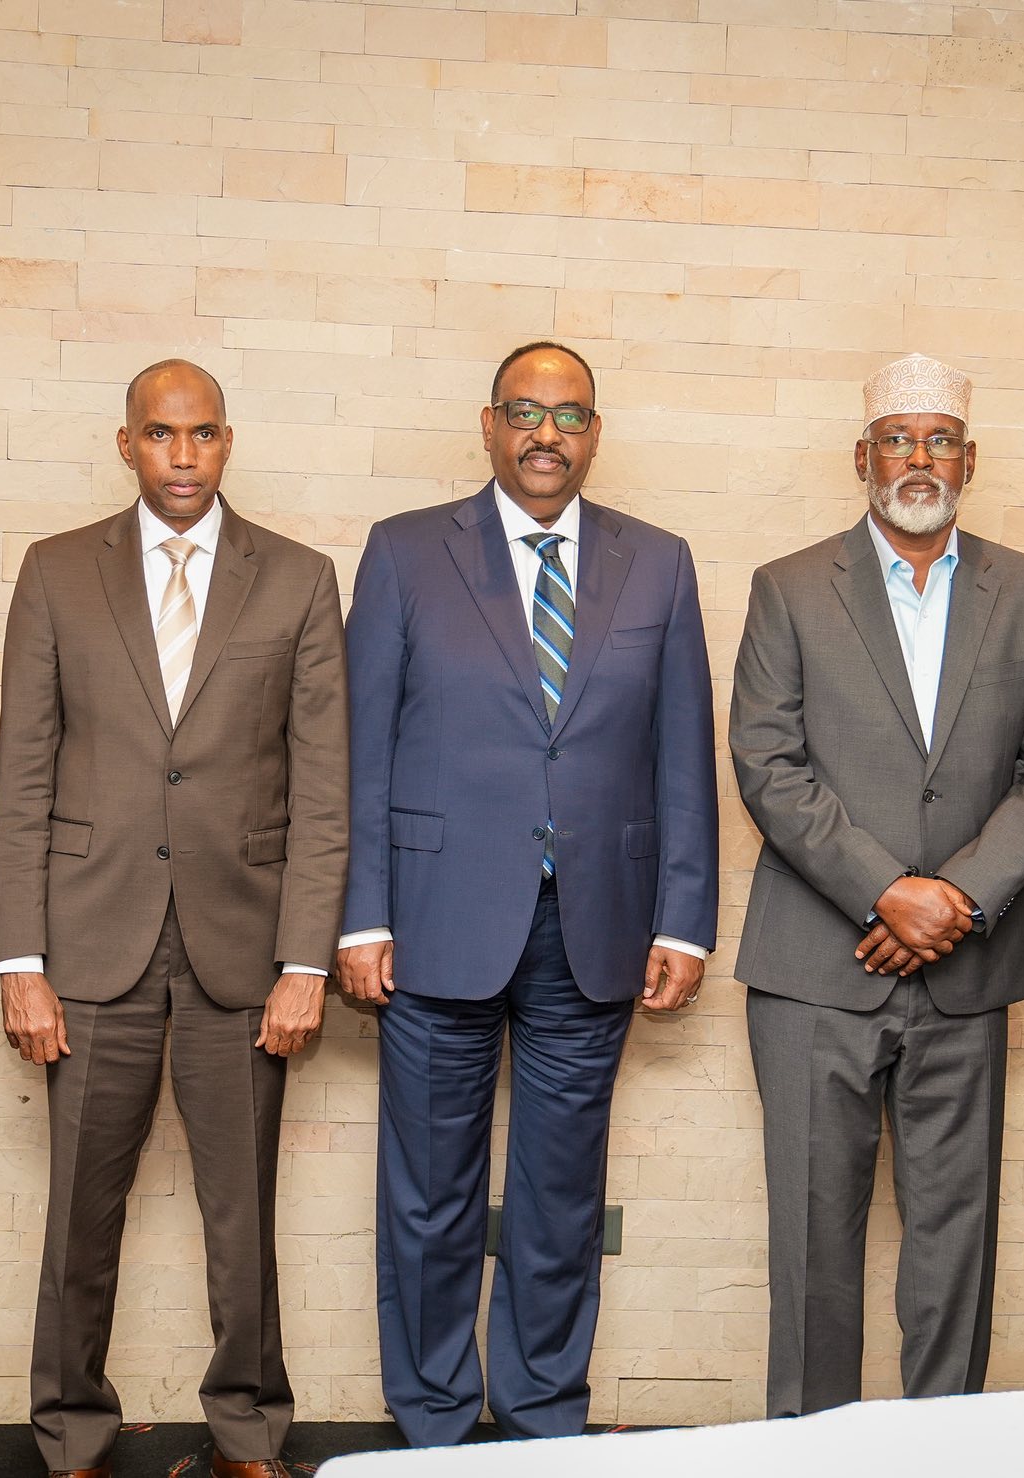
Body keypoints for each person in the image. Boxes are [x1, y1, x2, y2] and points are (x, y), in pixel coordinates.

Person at [337, 341, 719, 1445]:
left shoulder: (659, 563)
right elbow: (360, 749)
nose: (546, 434)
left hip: (594, 928)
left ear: (594, 434)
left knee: (560, 1197)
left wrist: (685, 920)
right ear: (489, 424)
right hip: (432, 923)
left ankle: (544, 1419)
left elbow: (682, 753)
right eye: (523, 411)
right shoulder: (405, 551)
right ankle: (434, 1423)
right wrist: (362, 914)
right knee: (428, 1198)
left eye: (569, 415)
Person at [0, 359, 348, 1478]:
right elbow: (22, 778)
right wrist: (19, 960)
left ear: (226, 441)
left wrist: (305, 962)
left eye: (200, 434)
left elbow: (322, 787)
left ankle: (248, 1428)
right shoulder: (56, 571)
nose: (181, 455)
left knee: (243, 1217)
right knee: (77, 1219)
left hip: (244, 951)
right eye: (159, 434)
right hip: (90, 946)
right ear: (126, 443)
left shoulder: (299, 579)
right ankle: (70, 1432)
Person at [729, 352, 1024, 1411]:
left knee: (954, 1244)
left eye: (939, 440)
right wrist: (888, 890)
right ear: (862, 457)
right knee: (812, 1243)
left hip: (967, 971)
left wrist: (955, 901)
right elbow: (766, 762)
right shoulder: (790, 587)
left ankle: (943, 1453)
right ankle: (812, 1453)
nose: (917, 459)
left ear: (969, 460)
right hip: (814, 968)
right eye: (897, 439)